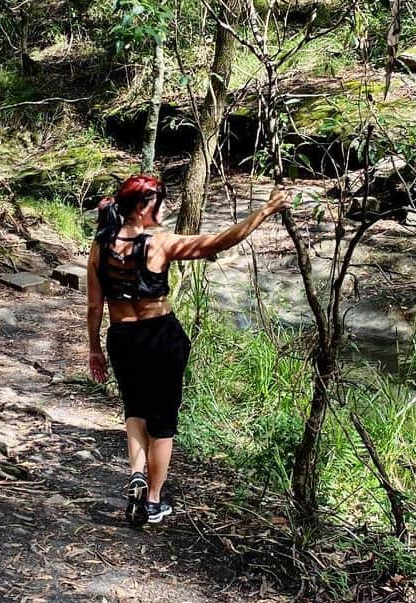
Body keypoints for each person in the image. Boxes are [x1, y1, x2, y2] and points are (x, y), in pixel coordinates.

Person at [86, 174, 291, 525]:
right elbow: (219, 242)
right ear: (142, 208)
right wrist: (266, 210)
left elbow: (94, 306)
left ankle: (137, 471)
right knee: (162, 422)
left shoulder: (100, 246)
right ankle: (152, 500)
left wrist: (94, 348)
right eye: (161, 202)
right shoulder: (161, 243)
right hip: (162, 337)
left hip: (122, 338)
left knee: (134, 410)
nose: (165, 208)